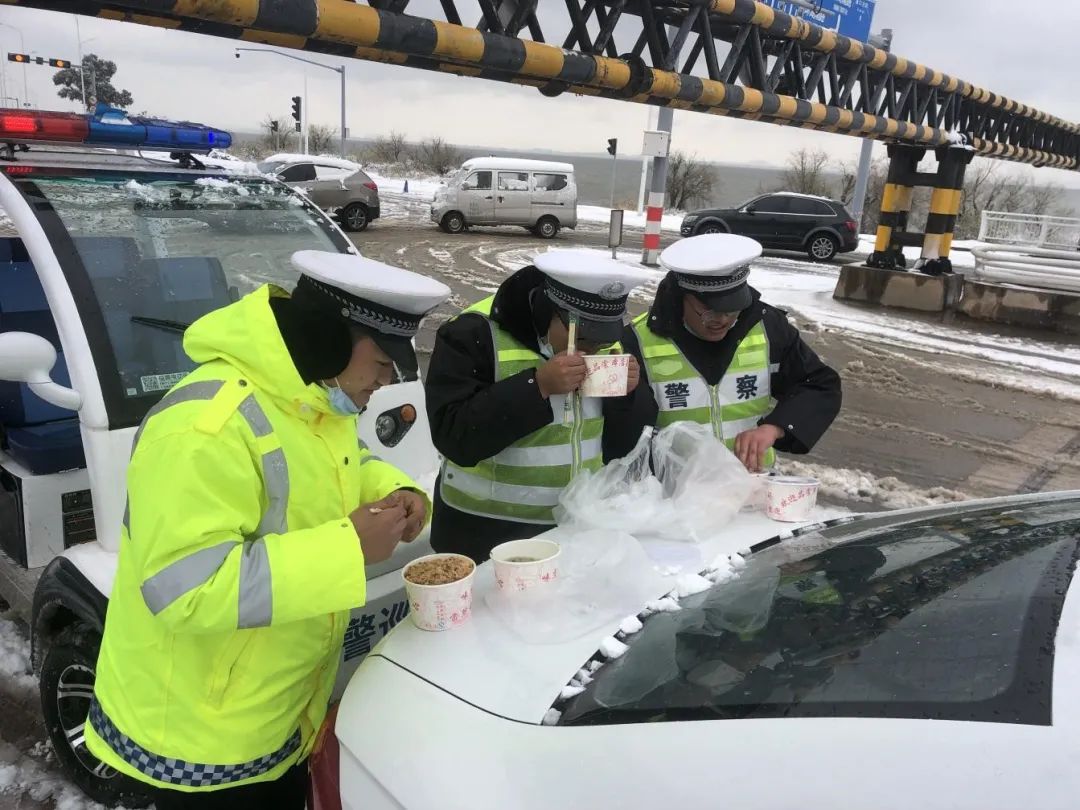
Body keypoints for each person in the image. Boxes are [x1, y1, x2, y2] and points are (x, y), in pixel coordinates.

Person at [85, 250, 450, 809]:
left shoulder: (308, 401)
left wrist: (397, 493)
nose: (388, 381)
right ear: (327, 339)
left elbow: (342, 465)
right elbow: (186, 588)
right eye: (382, 363)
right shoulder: (204, 429)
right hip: (198, 745)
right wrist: (346, 548)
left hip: (273, 719)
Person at [425, 248, 654, 562]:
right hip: (483, 534)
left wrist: (631, 394)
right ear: (549, 310)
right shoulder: (473, 332)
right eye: (582, 339)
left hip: (575, 527)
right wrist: (538, 387)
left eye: (600, 342)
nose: (592, 350)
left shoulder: (613, 339)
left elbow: (626, 442)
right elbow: (454, 435)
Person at [620, 233, 841, 471]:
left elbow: (819, 383)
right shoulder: (638, 340)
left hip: (750, 488)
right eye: (710, 311)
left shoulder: (767, 327)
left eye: (732, 309)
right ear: (682, 296)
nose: (722, 320)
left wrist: (774, 428)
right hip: (671, 497)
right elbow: (622, 429)